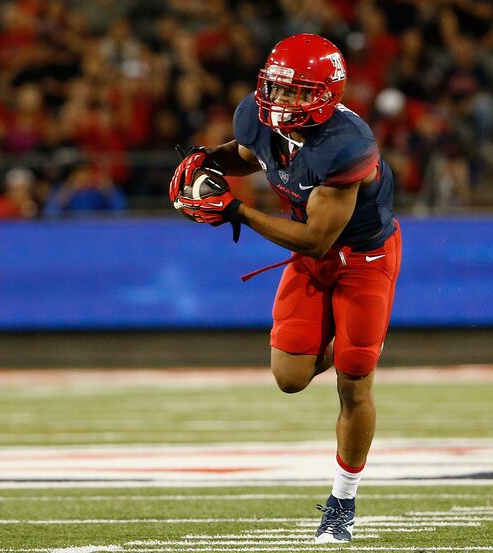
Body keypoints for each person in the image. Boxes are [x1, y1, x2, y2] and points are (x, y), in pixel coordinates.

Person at [169, 33, 401, 544]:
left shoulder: (348, 146)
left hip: (363, 257)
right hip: (313, 256)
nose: (281, 102)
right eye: (276, 89)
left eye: (297, 93)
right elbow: (251, 154)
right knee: (290, 376)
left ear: (325, 94)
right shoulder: (256, 116)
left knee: (354, 380)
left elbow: (319, 240)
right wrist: (208, 162)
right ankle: (350, 339)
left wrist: (235, 211)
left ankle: (342, 504)